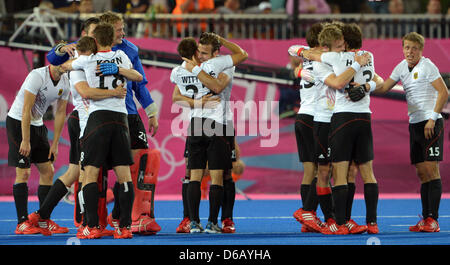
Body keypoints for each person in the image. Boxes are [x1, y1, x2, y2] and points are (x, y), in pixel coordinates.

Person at [28, 36, 127, 236]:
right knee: (84, 174)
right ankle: (86, 224)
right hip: (85, 123)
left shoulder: (89, 60)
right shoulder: (83, 60)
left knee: (75, 172)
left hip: (88, 121)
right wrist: (62, 48)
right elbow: (56, 61)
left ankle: (42, 215)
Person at [63, 23, 144, 239]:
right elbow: (138, 76)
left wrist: (70, 54)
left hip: (97, 119)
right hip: (121, 121)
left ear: (95, 41)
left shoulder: (88, 59)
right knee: (124, 175)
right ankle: (124, 227)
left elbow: (65, 66)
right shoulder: (121, 56)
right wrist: (118, 72)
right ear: (111, 39)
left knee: (89, 173)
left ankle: (91, 226)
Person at [302, 23, 380, 234]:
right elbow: (375, 79)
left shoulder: (334, 58)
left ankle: (342, 220)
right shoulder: (367, 55)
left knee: (343, 172)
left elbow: (308, 54)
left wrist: (301, 53)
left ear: (344, 42)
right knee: (351, 172)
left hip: (340, 118)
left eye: (341, 42)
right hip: (349, 119)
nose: (340, 46)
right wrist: (366, 83)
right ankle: (364, 222)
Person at [375, 32, 448, 232]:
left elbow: (444, 92)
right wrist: (366, 83)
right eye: (407, 47)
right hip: (415, 123)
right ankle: (426, 219)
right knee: (422, 173)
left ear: (420, 50)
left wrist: (432, 118)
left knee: (431, 170)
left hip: (430, 123)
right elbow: (383, 88)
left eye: (414, 48)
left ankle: (433, 220)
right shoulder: (401, 67)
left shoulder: (428, 66)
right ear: (403, 48)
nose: (410, 51)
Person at [174, 33, 248, 233]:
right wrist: (199, 102)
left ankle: (224, 219)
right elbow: (176, 97)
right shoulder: (202, 66)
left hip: (214, 124)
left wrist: (220, 41)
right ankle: (198, 221)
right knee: (198, 175)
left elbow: (217, 84)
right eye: (200, 52)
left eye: (206, 53)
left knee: (223, 174)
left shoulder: (218, 65)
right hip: (208, 123)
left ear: (216, 52)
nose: (202, 56)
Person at [6, 63, 70, 235]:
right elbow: (26, 109)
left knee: (48, 171)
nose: (72, 64)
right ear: (57, 62)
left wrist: (55, 144)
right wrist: (25, 140)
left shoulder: (65, 81)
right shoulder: (37, 75)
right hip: (18, 121)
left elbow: (60, 113)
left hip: (38, 124)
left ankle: (43, 220)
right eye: (68, 61)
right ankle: (22, 223)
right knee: (24, 173)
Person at [288, 22, 322, 233]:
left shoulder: (307, 58)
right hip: (314, 119)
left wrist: (299, 70)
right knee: (323, 170)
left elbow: (292, 49)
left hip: (302, 117)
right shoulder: (323, 60)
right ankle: (308, 211)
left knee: (309, 171)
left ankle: (308, 219)